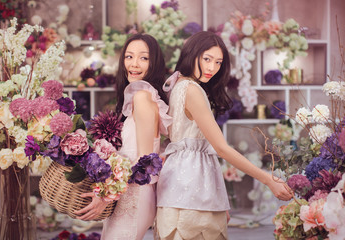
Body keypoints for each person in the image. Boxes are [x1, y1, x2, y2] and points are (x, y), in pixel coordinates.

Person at [156, 31, 293, 240]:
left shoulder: (176, 86)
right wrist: (269, 180)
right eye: (207, 59)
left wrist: (218, 198)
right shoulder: (192, 90)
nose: (212, 68)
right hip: (192, 191)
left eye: (218, 62)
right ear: (191, 55)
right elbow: (221, 148)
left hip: (179, 186)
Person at [74, 33, 171, 240]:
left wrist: (105, 195)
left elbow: (145, 162)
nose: (134, 64)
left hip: (134, 197)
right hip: (129, 194)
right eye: (129, 56)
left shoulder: (143, 96)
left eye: (144, 58)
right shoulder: (143, 96)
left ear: (154, 63)